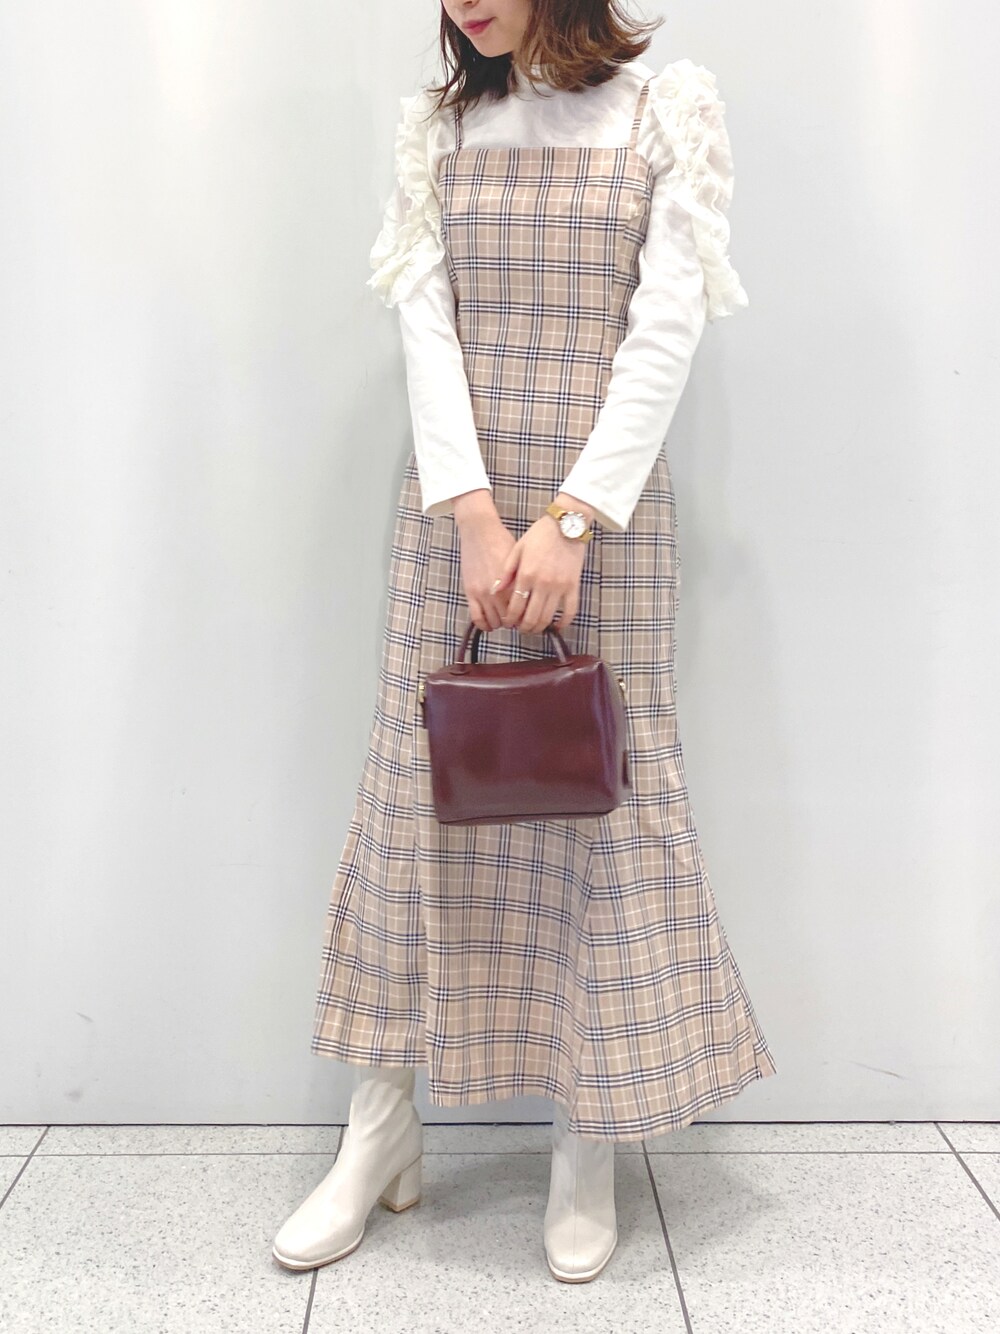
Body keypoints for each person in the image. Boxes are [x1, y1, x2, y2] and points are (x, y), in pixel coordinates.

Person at [274, 0, 777, 1284]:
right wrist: (473, 515)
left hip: (602, 516)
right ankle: (379, 1126)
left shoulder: (666, 111)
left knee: (598, 809)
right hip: (457, 512)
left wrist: (569, 519)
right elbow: (425, 325)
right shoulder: (440, 127)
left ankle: (585, 1141)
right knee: (415, 800)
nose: (461, 1)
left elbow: (665, 326)